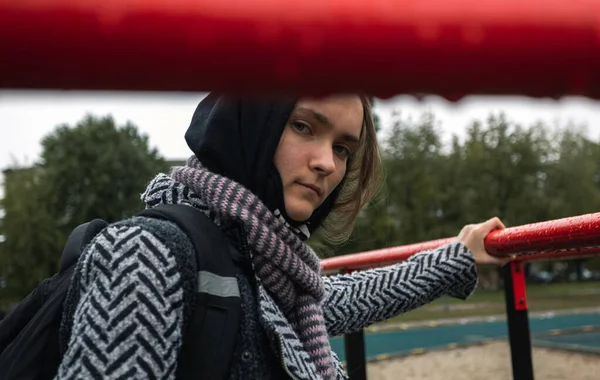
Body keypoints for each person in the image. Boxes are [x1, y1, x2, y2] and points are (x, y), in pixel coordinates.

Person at [55, 93, 511, 379]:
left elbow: (327, 300)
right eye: (302, 126)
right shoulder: (150, 253)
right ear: (252, 125)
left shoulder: (264, 263)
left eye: (342, 148)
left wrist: (456, 258)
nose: (327, 164)